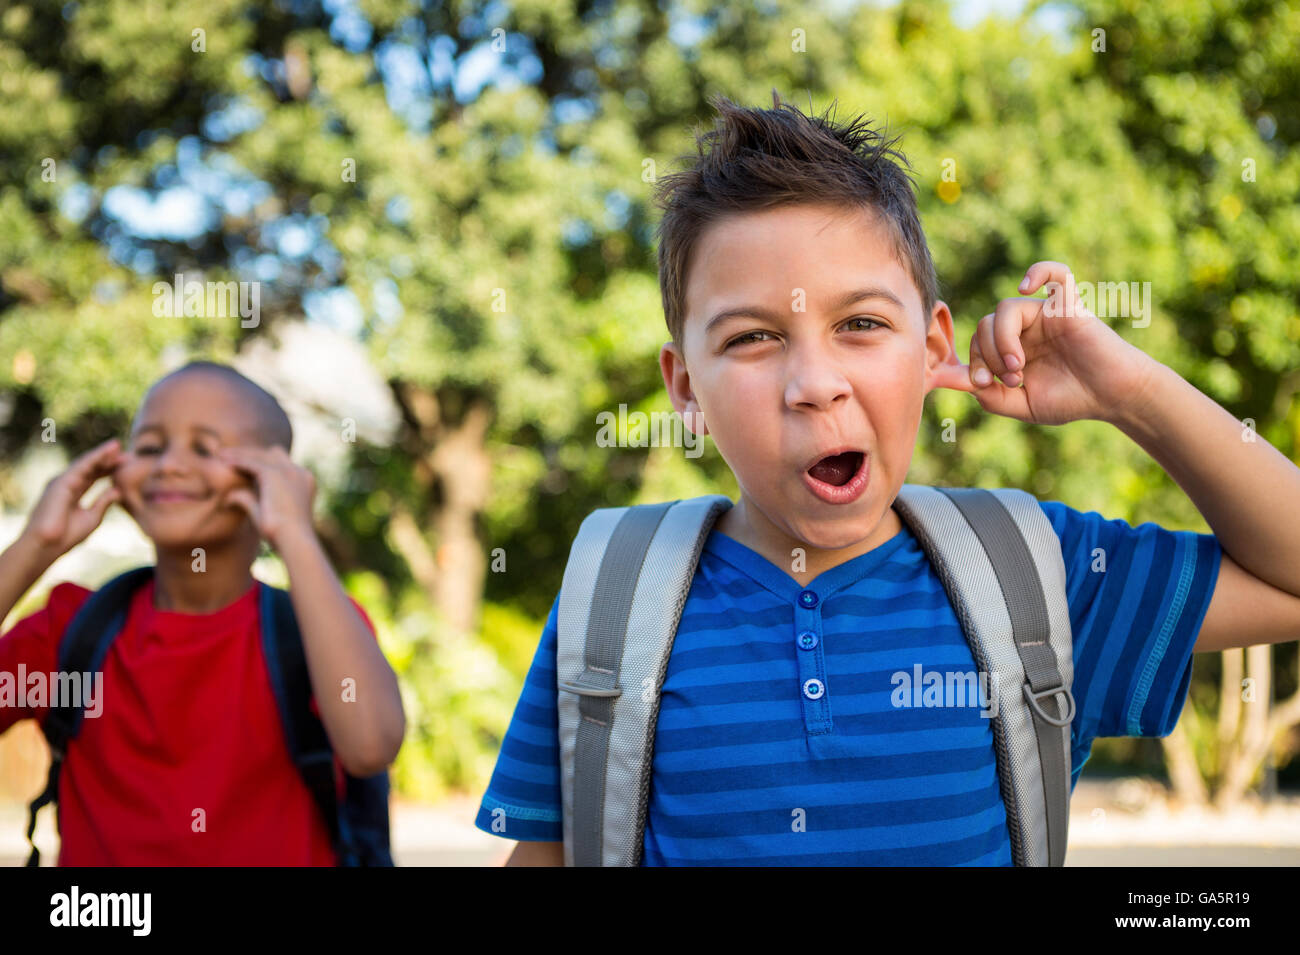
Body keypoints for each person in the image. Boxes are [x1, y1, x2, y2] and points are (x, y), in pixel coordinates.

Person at [473, 93, 1300, 865]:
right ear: (685, 386)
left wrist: (1130, 392)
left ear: (934, 348)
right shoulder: (618, 598)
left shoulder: (1036, 572)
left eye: (861, 324)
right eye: (753, 339)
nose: (815, 383)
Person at [0, 360, 405, 865]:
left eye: (205, 447)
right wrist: (35, 546)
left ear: (275, 476)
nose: (169, 464)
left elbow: (371, 746)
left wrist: (295, 533)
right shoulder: (72, 629)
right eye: (148, 447)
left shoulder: (315, 631)